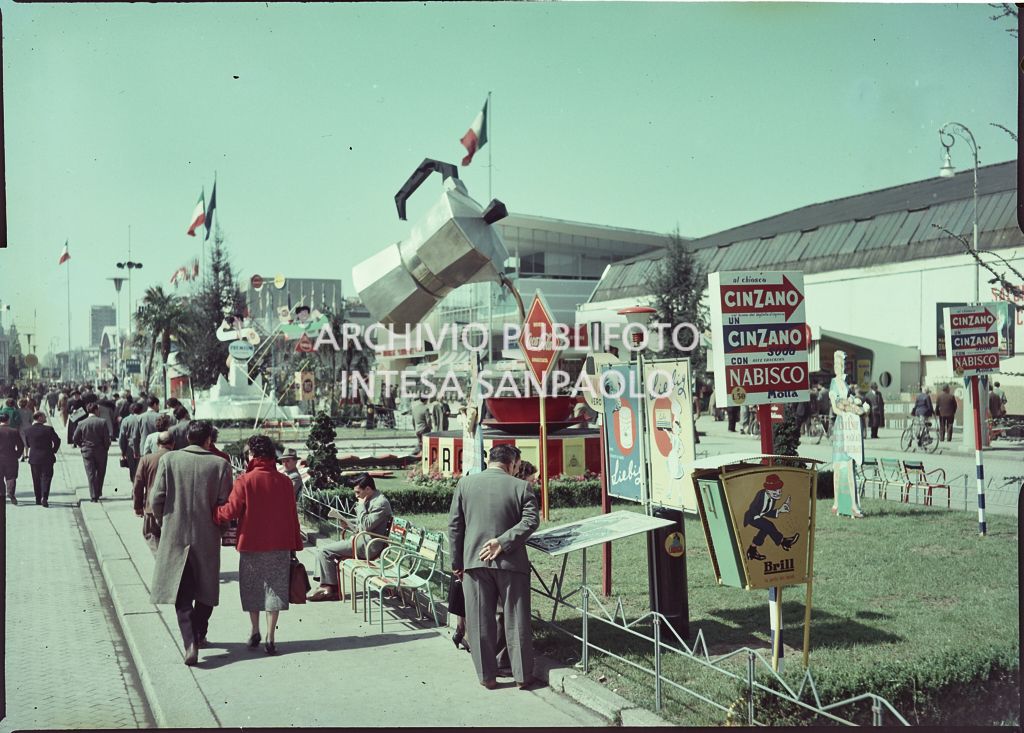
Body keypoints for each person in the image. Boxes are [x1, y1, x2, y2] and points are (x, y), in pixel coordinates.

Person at [448, 444, 541, 690]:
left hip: (474, 562)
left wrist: (457, 563)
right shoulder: (522, 487)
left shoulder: (465, 484)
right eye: (518, 467)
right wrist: (503, 542)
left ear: (490, 460)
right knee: (517, 618)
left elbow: (455, 526)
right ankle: (522, 676)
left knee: (479, 620)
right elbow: (531, 521)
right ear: (512, 463)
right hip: (512, 563)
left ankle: (487, 676)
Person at [148, 421, 233, 666]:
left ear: (187, 437)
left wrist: (165, 522)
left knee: (182, 594)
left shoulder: (170, 460)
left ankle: (190, 642)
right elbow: (224, 505)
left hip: (175, 534)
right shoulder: (220, 465)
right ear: (209, 440)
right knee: (207, 591)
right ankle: (198, 632)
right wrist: (222, 528)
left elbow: (157, 499)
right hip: (207, 537)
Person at [215, 435, 304, 655]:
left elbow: (231, 511)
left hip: (251, 544)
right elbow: (292, 516)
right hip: (280, 544)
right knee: (275, 590)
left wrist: (214, 513)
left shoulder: (245, 480)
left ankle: (254, 629)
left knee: (252, 589)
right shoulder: (284, 482)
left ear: (253, 455)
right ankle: (271, 636)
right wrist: (295, 543)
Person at [308, 473, 393, 602]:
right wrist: (348, 522)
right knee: (324, 550)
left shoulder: (380, 503)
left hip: (368, 546)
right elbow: (365, 523)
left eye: (358, 492)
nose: (356, 496)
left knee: (324, 551)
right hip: (361, 540)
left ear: (368, 489)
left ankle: (330, 589)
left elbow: (366, 525)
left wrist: (361, 506)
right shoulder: (372, 499)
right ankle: (328, 587)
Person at [133, 430, 173, 550]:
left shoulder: (146, 459)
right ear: (173, 444)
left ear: (157, 444)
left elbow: (138, 485)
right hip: (172, 508)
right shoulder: (177, 459)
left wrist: (138, 506)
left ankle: (160, 563)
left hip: (151, 507)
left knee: (151, 536)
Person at [73, 403, 112, 503]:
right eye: (98, 410)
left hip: (87, 451)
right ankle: (98, 492)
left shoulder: (81, 423)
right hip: (101, 451)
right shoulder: (102, 422)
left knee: (90, 473)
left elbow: (75, 438)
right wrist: (106, 447)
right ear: (95, 410)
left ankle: (93, 495)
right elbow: (106, 438)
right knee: (100, 472)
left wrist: (82, 446)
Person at [24, 411, 60, 507]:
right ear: (39, 417)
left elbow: (27, 444)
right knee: (46, 477)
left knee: (36, 479)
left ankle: (37, 499)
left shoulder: (27, 430)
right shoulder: (48, 429)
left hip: (34, 458)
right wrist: (53, 450)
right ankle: (44, 497)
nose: (46, 418)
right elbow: (57, 440)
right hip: (47, 456)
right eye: (44, 417)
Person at [0, 413, 24, 505]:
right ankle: (10, 493)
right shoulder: (14, 431)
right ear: (8, 420)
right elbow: (20, 445)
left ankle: (2, 494)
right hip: (11, 458)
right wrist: (17, 455)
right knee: (11, 477)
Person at [119, 402, 144, 482]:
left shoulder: (126, 420)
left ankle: (135, 489)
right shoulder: (143, 419)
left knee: (133, 471)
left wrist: (123, 451)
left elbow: (122, 437)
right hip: (142, 448)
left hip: (130, 449)